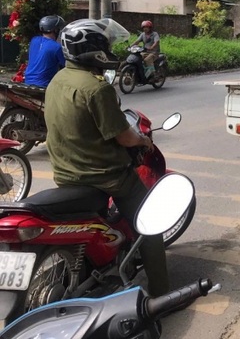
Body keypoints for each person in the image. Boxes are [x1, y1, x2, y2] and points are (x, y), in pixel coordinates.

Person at [44, 18, 168, 296]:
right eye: (106, 45)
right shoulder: (97, 88)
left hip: (64, 174)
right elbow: (124, 137)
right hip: (107, 178)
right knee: (151, 223)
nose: (111, 50)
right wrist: (143, 140)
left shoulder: (58, 79)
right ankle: (162, 292)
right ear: (92, 49)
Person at [23, 15, 66, 87]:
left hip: (28, 81)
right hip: (45, 84)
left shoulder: (34, 40)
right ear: (55, 30)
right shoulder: (57, 47)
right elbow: (66, 65)